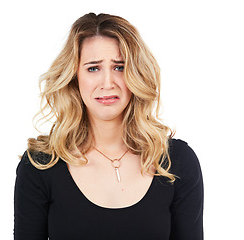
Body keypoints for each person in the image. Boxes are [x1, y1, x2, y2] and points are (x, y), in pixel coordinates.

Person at [14, 13, 203, 240]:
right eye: (93, 68)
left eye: (119, 67)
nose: (107, 83)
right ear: (74, 76)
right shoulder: (40, 165)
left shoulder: (177, 161)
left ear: (137, 74)